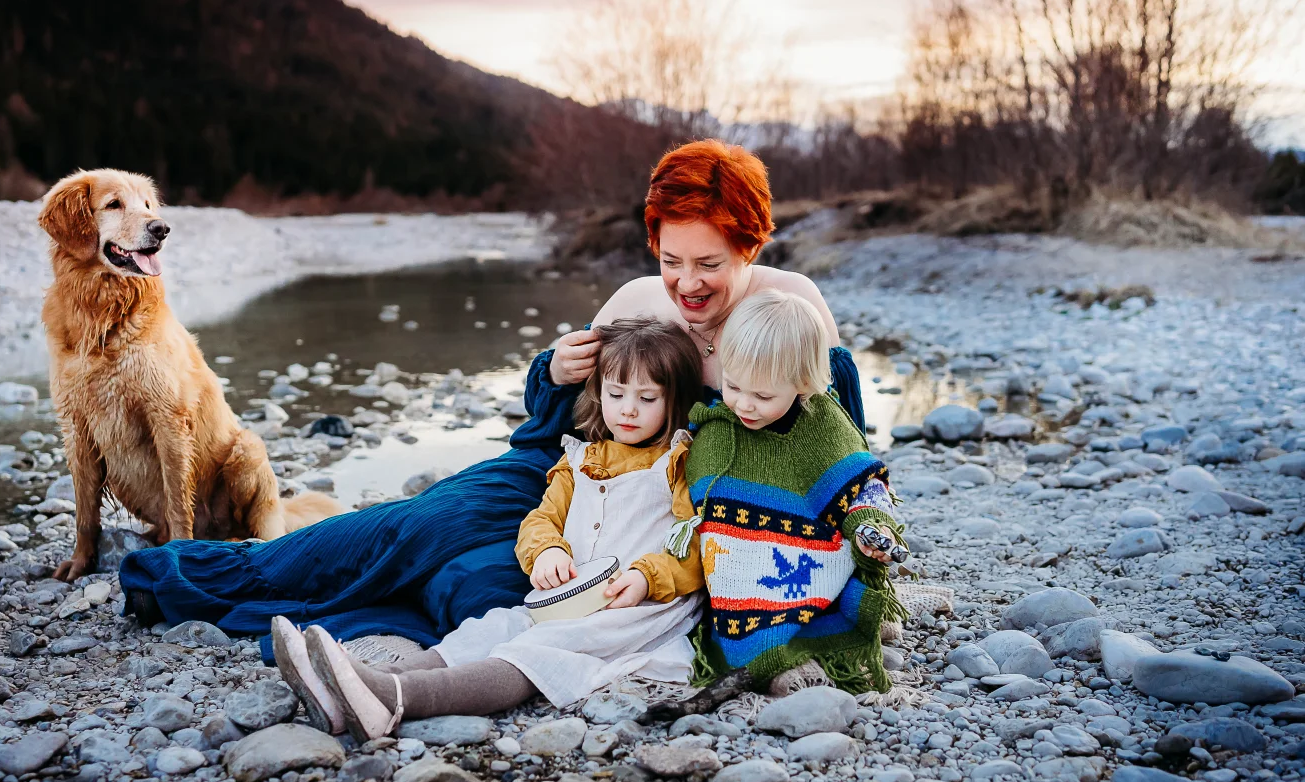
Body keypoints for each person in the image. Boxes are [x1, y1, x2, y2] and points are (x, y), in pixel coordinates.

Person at [118, 138, 865, 660]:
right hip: (564, 473)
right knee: (411, 527)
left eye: (711, 263)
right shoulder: (639, 298)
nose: (688, 283)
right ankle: (195, 576)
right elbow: (550, 420)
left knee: (465, 586)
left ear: (751, 247)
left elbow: (836, 454)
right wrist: (557, 370)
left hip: (658, 525)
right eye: (673, 260)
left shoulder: (791, 313)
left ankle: (376, 616)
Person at [270, 318, 707, 740]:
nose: (628, 409)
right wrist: (547, 552)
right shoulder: (579, 460)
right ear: (598, 393)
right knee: (489, 629)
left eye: (647, 399)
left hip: (634, 612)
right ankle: (348, 691)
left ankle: (394, 696)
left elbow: (693, 541)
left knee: (534, 655)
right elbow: (540, 520)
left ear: (675, 403)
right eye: (616, 393)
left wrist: (646, 577)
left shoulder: (678, 464)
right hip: (568, 599)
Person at [647, 289, 906, 721]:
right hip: (742, 560)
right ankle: (768, 651)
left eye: (763, 396)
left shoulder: (823, 424)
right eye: (733, 386)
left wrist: (867, 525)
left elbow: (864, 488)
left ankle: (846, 613)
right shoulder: (718, 431)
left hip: (818, 549)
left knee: (858, 558)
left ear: (803, 384)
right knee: (741, 604)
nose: (744, 404)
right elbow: (703, 499)